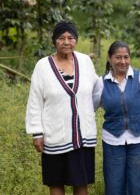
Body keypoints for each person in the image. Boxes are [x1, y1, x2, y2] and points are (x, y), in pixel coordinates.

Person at [26, 21, 98, 195]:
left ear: (76, 40)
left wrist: (87, 111)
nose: (66, 42)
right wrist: (37, 132)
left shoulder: (85, 61)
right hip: (54, 134)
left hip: (82, 135)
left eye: (71, 38)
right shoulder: (42, 66)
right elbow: (35, 100)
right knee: (56, 182)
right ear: (54, 41)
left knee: (81, 182)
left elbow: (96, 90)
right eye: (61, 38)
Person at [93, 41, 140, 195]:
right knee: (114, 183)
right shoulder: (101, 82)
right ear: (109, 59)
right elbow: (90, 108)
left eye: (126, 57)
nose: (123, 61)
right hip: (112, 140)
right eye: (118, 57)